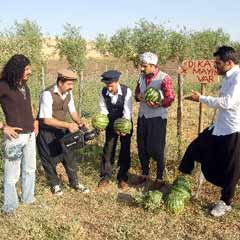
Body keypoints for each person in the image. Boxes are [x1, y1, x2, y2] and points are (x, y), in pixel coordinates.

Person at [179, 46, 240, 217]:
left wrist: (201, 98)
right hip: (220, 126)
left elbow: (228, 102)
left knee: (231, 169)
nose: (215, 66)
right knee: (194, 149)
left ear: (229, 62)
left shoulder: (238, 77)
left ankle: (225, 202)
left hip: (234, 129)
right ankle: (182, 183)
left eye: (218, 63)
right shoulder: (228, 77)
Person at [37, 69, 89, 196]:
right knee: (48, 158)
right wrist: (68, 125)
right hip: (46, 130)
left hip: (61, 129)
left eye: (72, 84)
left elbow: (73, 111)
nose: (71, 87)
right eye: (69, 84)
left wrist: (79, 122)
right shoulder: (47, 94)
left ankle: (74, 182)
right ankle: (55, 185)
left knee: (68, 155)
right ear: (60, 82)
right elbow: (47, 119)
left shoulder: (68, 94)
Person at [0, 54, 38, 214]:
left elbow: (29, 105)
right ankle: (10, 207)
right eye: (27, 68)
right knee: (12, 174)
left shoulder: (24, 84)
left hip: (30, 136)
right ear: (17, 69)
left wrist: (34, 120)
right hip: (14, 137)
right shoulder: (3, 85)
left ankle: (28, 199)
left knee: (30, 169)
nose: (30, 71)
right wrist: (3, 127)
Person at [134, 52, 175, 188]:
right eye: (141, 66)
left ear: (153, 65)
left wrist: (160, 103)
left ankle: (160, 177)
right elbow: (137, 93)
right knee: (142, 146)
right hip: (142, 116)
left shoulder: (164, 78)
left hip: (157, 118)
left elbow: (170, 98)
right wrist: (139, 96)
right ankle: (145, 174)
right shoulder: (141, 77)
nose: (142, 68)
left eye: (144, 66)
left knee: (157, 148)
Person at [98, 70, 133, 190]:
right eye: (107, 85)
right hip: (110, 121)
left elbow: (127, 112)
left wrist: (122, 127)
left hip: (125, 121)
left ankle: (122, 177)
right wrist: (101, 123)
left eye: (111, 85)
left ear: (117, 82)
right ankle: (105, 176)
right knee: (108, 148)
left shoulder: (126, 91)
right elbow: (103, 110)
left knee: (125, 148)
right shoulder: (103, 92)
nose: (108, 87)